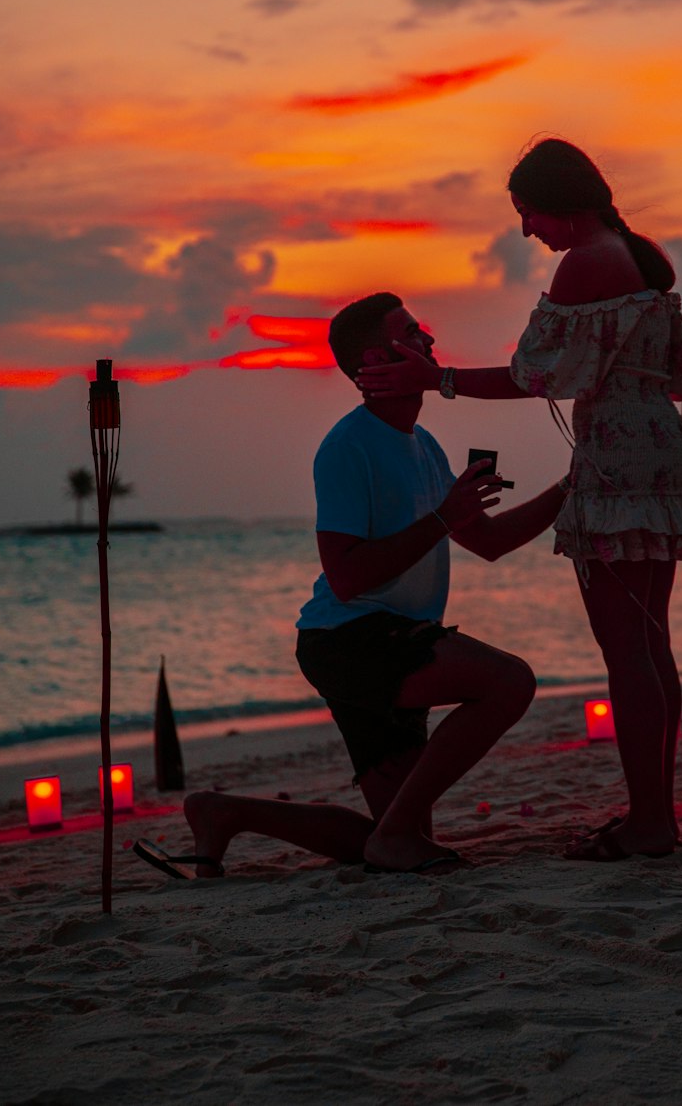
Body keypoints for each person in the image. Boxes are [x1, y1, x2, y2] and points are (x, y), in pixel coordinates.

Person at [357, 139, 682, 860]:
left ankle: (649, 819)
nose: (528, 231)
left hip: (616, 453)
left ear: (558, 201)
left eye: (527, 213)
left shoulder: (585, 261)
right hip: (657, 445)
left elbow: (532, 375)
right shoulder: (641, 257)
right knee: (651, 641)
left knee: (627, 651)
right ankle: (656, 812)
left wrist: (437, 380)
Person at [135, 291, 565, 882]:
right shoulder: (348, 447)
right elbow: (346, 575)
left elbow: (488, 542)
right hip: (351, 640)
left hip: (391, 638)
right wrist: (442, 518)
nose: (430, 341)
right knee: (509, 681)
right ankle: (378, 833)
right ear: (378, 358)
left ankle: (221, 812)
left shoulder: (426, 446)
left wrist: (570, 488)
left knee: (395, 837)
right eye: (413, 333)